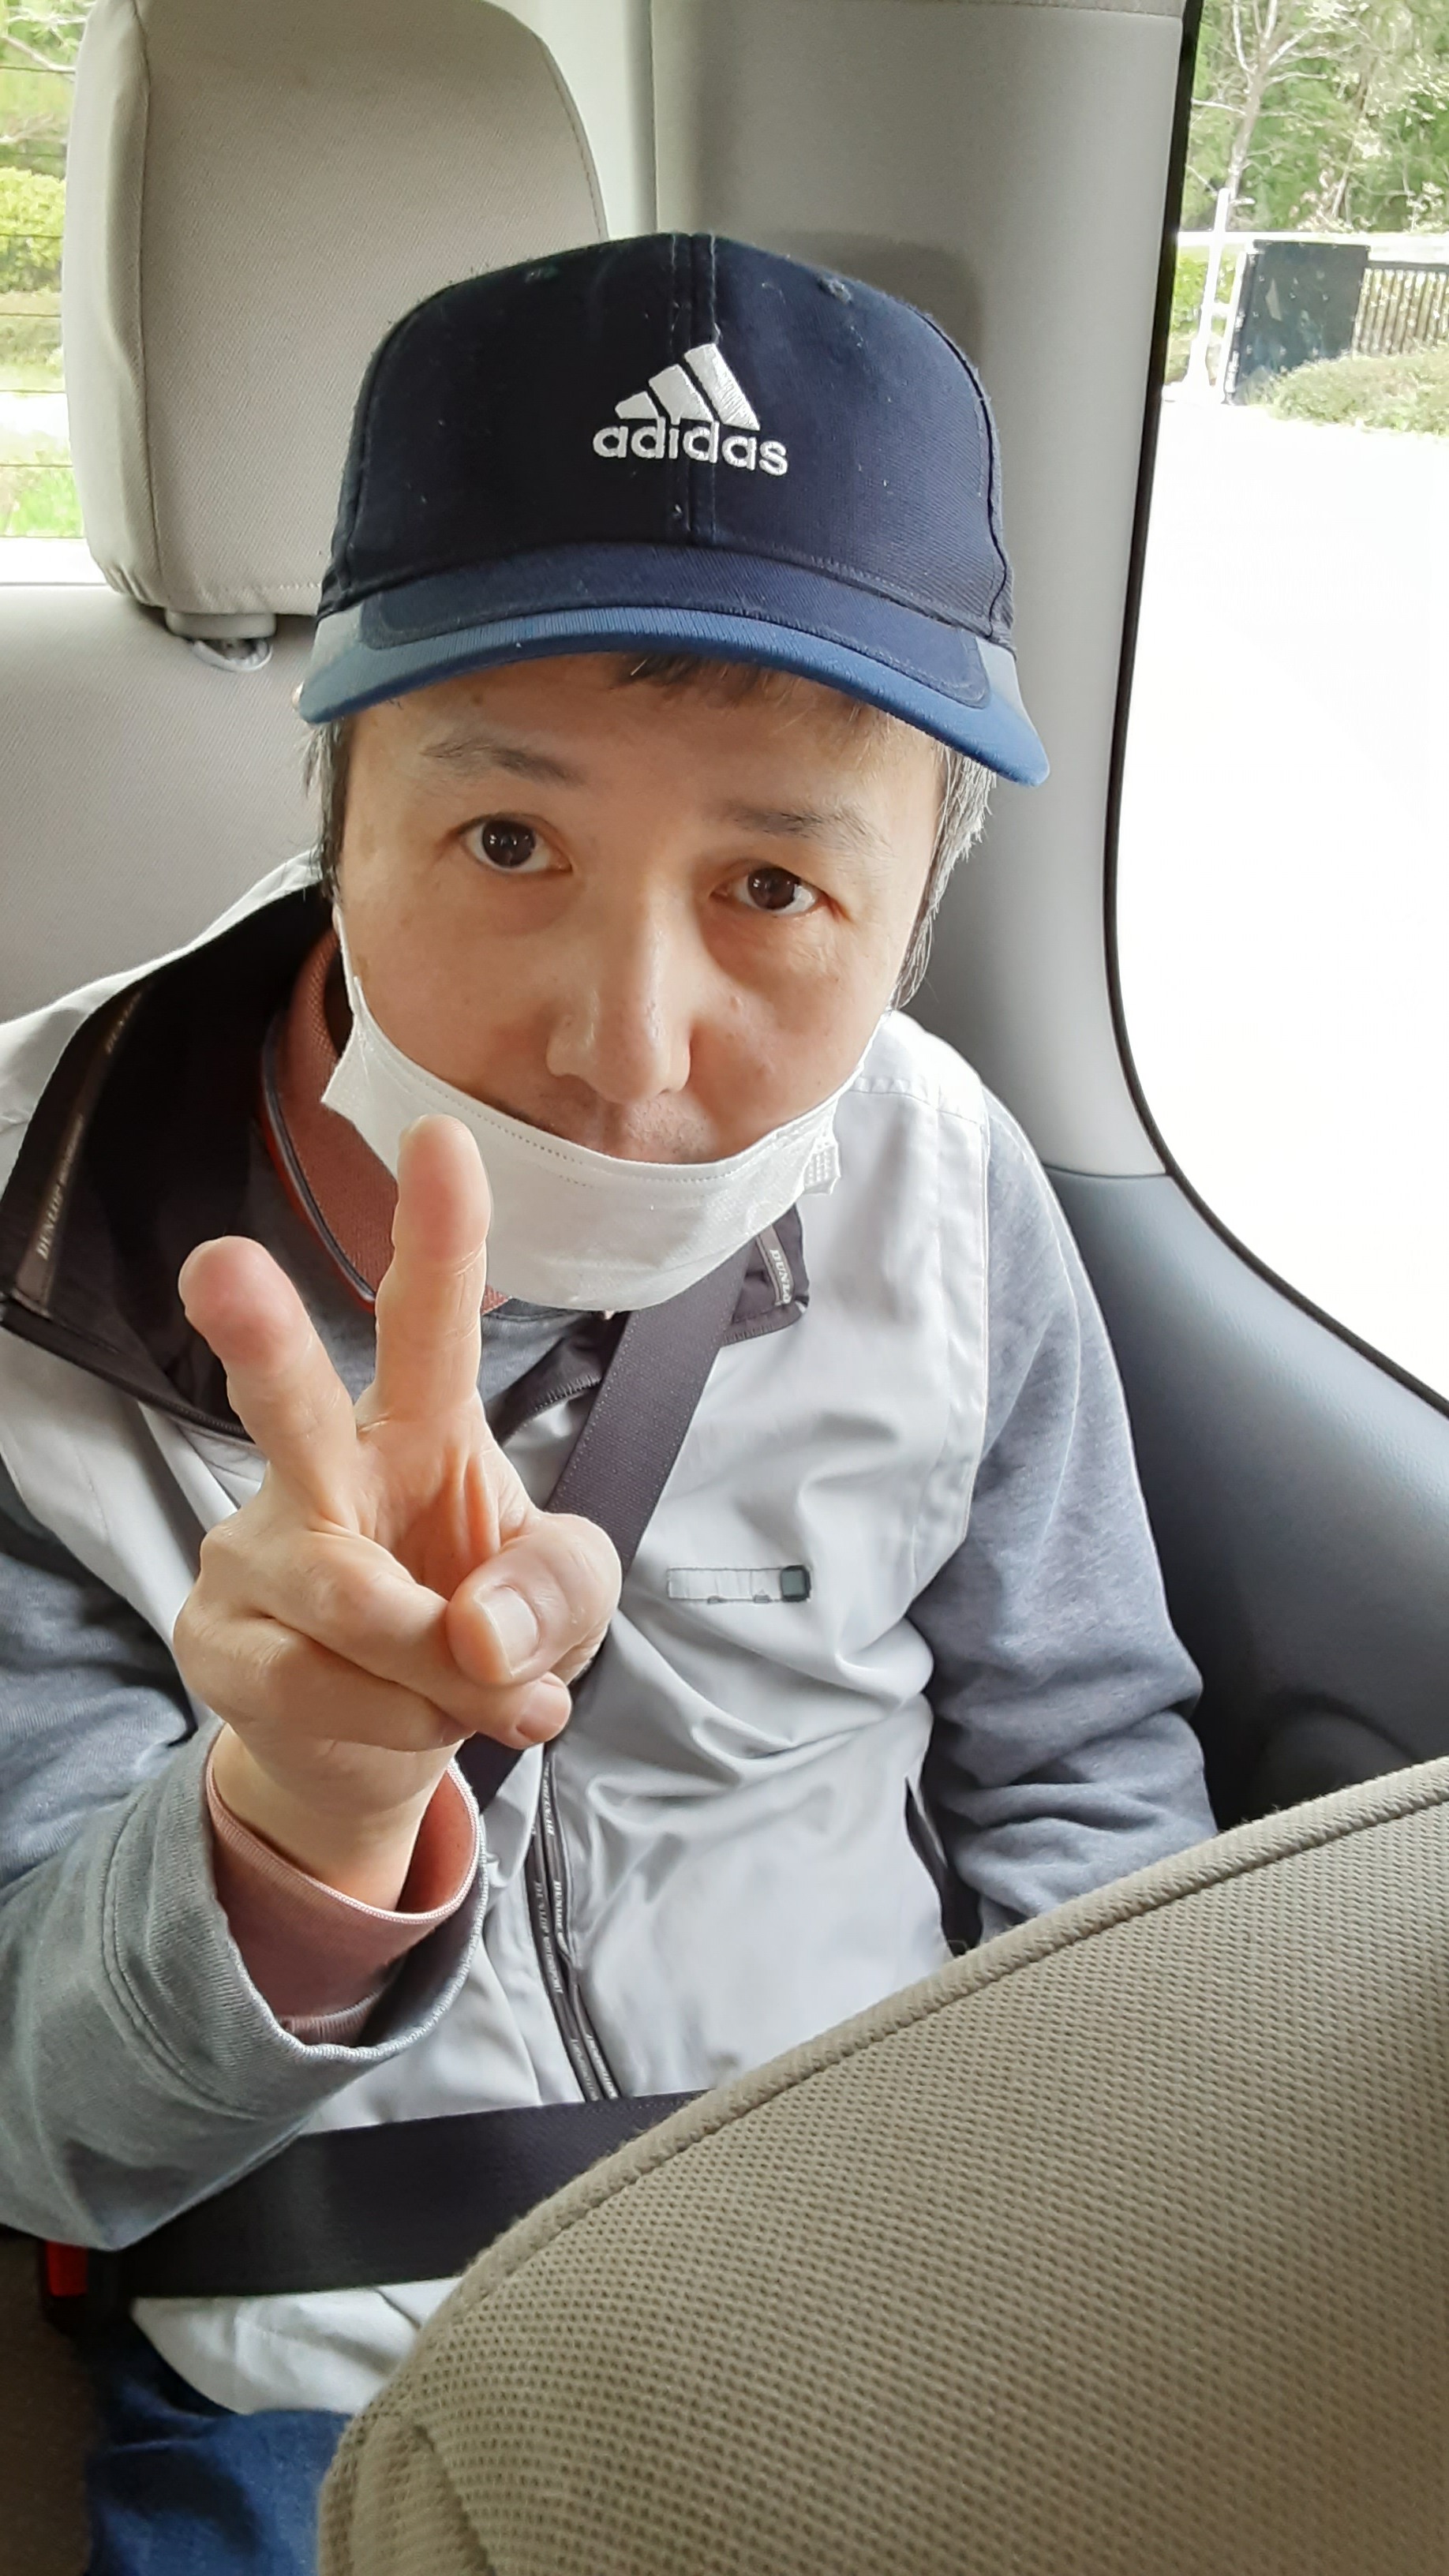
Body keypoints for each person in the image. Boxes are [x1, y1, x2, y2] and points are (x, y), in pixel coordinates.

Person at [0, 235, 1214, 2572]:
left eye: (771, 883)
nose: (625, 1048)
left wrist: (1094, 2242)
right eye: (507, 843)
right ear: (337, 804)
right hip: (342, 2401)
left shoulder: (948, 1180)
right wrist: (303, 1816)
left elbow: (1081, 1769)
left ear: (918, 909)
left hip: (915, 2303)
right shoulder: (24, 1260)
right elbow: (42, 2127)